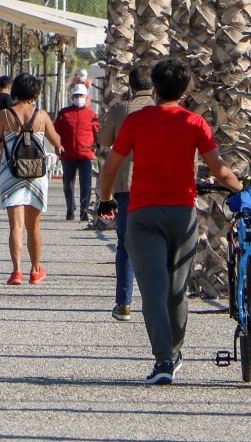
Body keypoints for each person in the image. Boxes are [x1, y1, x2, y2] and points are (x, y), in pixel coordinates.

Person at [97, 58, 241, 385]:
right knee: (177, 292)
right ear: (185, 90)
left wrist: (105, 200)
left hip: (143, 213)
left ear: (156, 89)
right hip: (182, 214)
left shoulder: (137, 121)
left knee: (153, 291)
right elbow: (221, 170)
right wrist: (243, 187)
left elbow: (110, 167)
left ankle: (164, 360)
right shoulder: (195, 123)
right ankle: (173, 352)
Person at [0, 72, 62, 285]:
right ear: (35, 93)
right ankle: (35, 270)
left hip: (10, 173)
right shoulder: (41, 116)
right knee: (34, 227)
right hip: (36, 174)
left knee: (16, 226)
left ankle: (16, 272)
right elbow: (56, 141)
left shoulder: (4, 116)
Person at [96, 66, 155, 322]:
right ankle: (156, 301)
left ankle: (124, 302)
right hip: (156, 186)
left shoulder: (121, 109)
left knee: (125, 244)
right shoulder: (162, 109)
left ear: (130, 85)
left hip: (126, 185)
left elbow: (104, 140)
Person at [53, 83, 100, 221]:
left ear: (86, 97)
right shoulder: (64, 113)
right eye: (76, 96)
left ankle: (84, 212)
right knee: (68, 184)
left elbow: (98, 132)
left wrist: (97, 148)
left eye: (81, 95)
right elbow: (55, 131)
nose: (78, 98)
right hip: (68, 155)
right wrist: (58, 146)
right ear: (72, 97)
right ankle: (70, 209)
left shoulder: (92, 114)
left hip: (85, 155)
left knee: (85, 184)